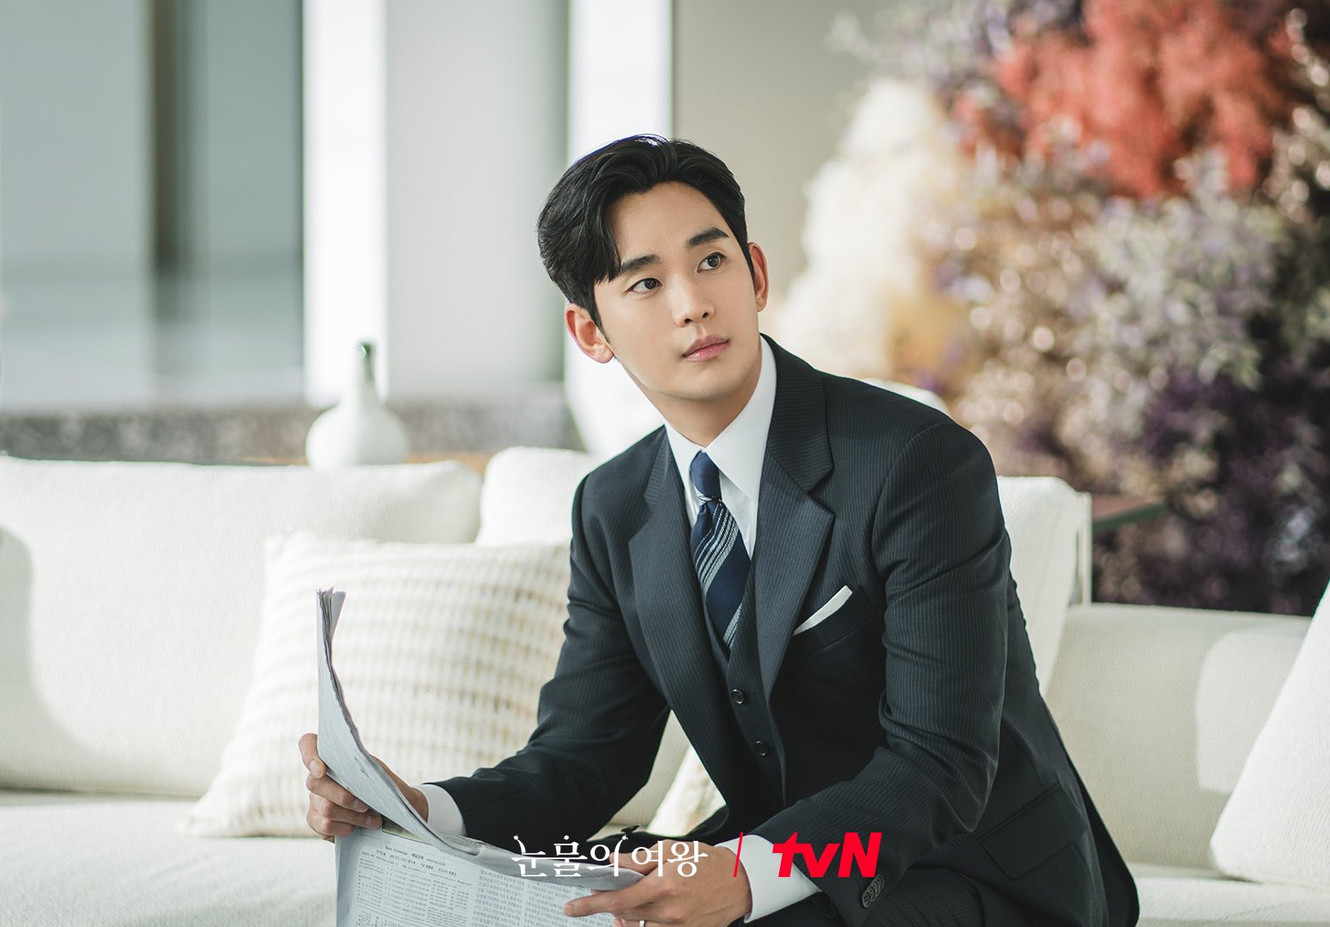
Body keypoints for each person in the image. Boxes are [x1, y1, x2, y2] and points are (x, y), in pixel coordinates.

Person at [301, 135, 1139, 927]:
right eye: (645, 283)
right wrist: (422, 808)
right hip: (778, 861)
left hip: (979, 871)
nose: (694, 303)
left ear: (757, 273)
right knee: (565, 900)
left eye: (711, 261)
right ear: (590, 331)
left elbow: (939, 764)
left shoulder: (916, 463)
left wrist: (740, 874)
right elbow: (587, 757)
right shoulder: (613, 507)